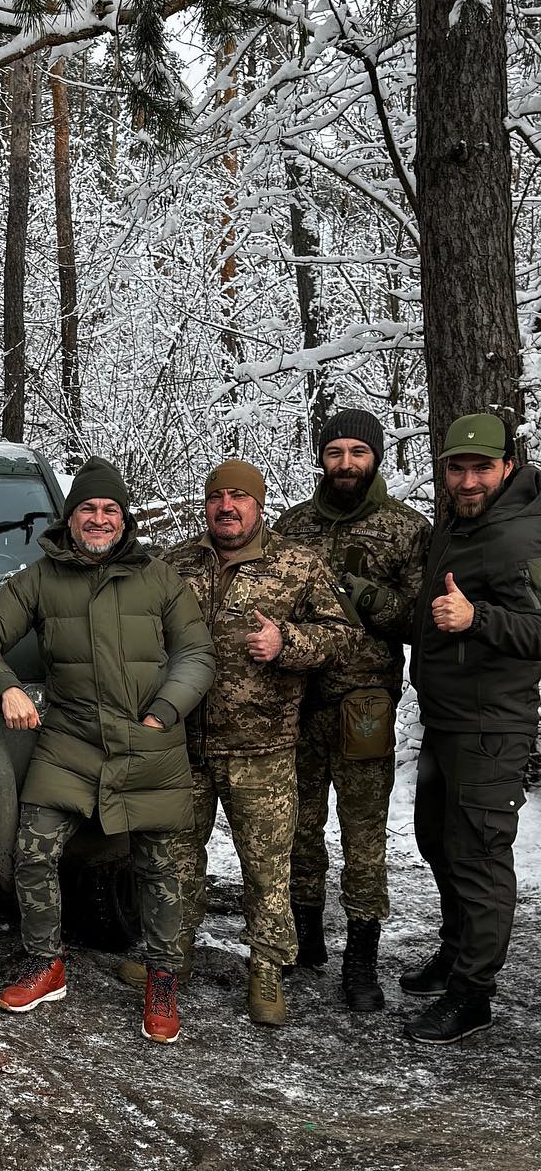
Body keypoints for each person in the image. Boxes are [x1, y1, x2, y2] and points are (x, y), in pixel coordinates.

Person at [0, 458, 215, 1042]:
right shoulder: (40, 579)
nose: (99, 518)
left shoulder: (160, 578)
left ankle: (163, 978)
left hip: (148, 741)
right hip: (69, 742)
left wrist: (164, 710)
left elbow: (197, 654)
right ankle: (45, 964)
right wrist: (6, 687)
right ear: (70, 518)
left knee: (159, 865)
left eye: (110, 509)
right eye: (88, 509)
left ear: (124, 519)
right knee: (32, 851)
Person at [164, 460, 358, 1027]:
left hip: (262, 748)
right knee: (175, 861)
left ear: (259, 503)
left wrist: (287, 642)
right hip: (184, 746)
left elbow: (345, 637)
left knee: (267, 870)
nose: (227, 506)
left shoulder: (297, 564)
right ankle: (170, 960)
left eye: (239, 497)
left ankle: (267, 970)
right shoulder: (174, 564)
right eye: (216, 496)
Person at [273, 409, 430, 1011]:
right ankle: (305, 932)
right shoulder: (294, 524)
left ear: (375, 458)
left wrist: (367, 597)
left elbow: (420, 620)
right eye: (335, 451)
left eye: (357, 453)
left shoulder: (405, 528)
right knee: (299, 825)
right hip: (299, 698)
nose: (345, 463)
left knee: (364, 834)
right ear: (321, 457)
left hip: (364, 705)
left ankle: (361, 956)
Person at [403, 412, 541, 1044]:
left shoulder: (521, 534)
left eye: (481, 467)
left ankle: (473, 994)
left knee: (479, 858)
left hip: (490, 729)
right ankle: (457, 953)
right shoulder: (463, 523)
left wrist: (477, 618)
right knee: (438, 842)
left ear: (507, 466)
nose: (467, 480)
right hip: (448, 721)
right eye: (456, 468)